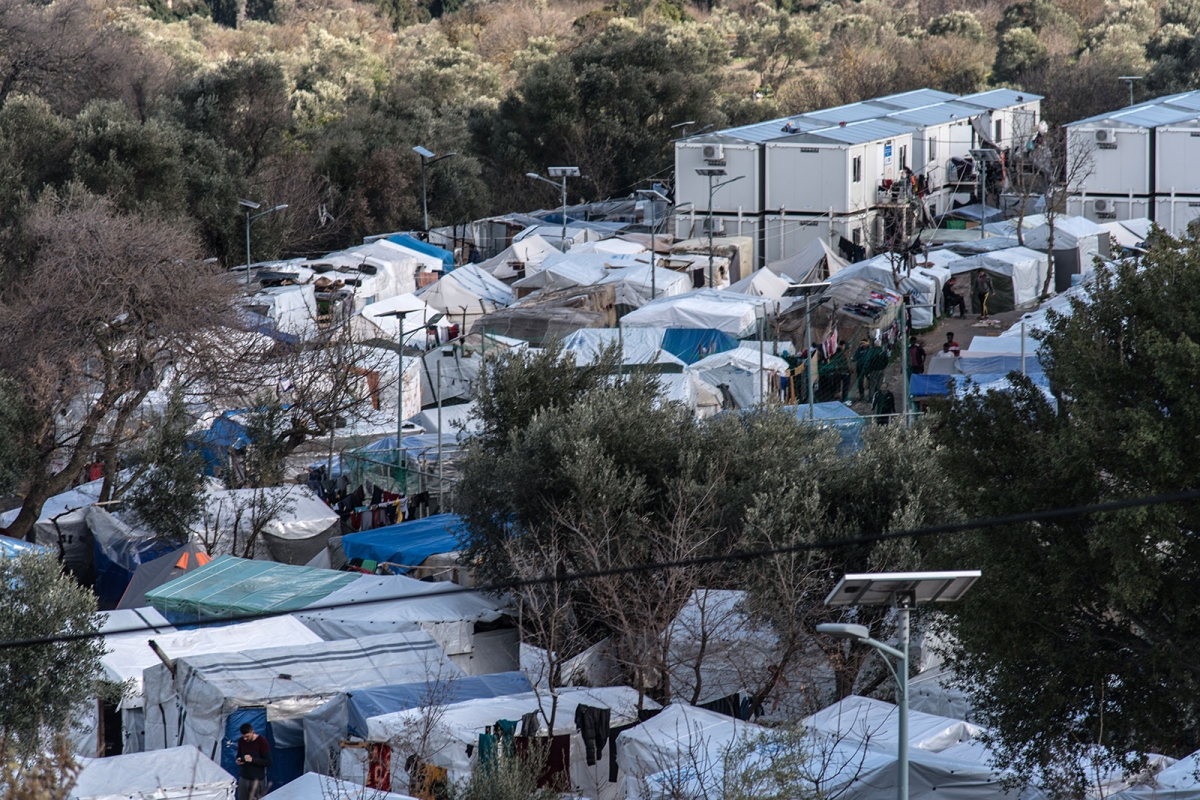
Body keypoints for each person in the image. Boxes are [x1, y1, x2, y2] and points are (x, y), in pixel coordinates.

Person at [236, 723, 271, 800]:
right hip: (244, 778)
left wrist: (253, 760)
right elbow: (239, 755)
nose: (245, 739)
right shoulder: (241, 741)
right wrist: (238, 760)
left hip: (257, 780)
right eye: (243, 736)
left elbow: (268, 762)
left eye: (247, 736)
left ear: (252, 732)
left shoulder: (262, 742)